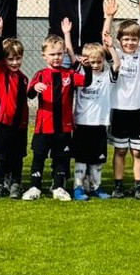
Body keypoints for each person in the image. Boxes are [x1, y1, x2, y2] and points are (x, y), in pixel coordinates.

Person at [22, 21, 90, 202]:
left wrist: (87, 67)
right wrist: (35, 87)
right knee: (39, 157)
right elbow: (29, 94)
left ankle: (59, 187)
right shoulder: (40, 75)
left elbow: (87, 82)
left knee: (61, 158)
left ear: (64, 54)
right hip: (43, 126)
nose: (56, 57)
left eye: (60, 54)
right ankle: (35, 187)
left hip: (64, 127)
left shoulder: (69, 74)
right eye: (52, 54)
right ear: (44, 56)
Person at [102, 0, 140, 200]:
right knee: (120, 150)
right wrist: (109, 17)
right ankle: (118, 186)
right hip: (119, 109)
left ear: (138, 40)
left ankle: (139, 185)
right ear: (120, 40)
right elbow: (105, 39)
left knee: (138, 152)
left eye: (134, 39)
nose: (130, 42)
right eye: (126, 39)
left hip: (139, 109)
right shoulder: (116, 54)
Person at [0, 34, 30, 198]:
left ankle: (15, 183)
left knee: (17, 156)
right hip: (4, 124)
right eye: (10, 59)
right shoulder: (0, 73)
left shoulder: (24, 78)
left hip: (20, 125)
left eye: (18, 58)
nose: (14, 62)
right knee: (2, 156)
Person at [71, 42, 114, 201]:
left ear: (103, 60)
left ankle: (96, 187)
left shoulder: (107, 75)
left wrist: (110, 47)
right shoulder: (80, 73)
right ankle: (78, 187)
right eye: (92, 62)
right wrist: (67, 35)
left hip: (100, 123)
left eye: (98, 62)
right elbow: (71, 54)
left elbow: (117, 64)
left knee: (97, 160)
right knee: (81, 159)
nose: (95, 65)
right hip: (82, 123)